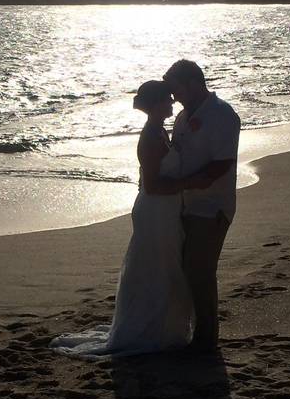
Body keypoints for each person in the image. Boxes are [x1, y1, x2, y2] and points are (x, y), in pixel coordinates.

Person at [51, 80, 227, 358]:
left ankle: (164, 326)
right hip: (156, 211)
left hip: (167, 210)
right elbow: (154, 185)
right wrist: (194, 182)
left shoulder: (160, 132)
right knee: (155, 267)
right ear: (156, 105)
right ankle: (150, 328)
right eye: (168, 99)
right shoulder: (149, 138)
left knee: (166, 267)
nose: (172, 102)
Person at [162, 59, 240, 352]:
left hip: (212, 206)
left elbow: (221, 165)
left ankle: (207, 338)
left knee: (200, 269)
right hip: (184, 205)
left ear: (194, 84)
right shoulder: (182, 118)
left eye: (176, 88)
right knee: (187, 267)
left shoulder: (222, 115)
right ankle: (193, 328)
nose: (173, 96)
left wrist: (184, 184)